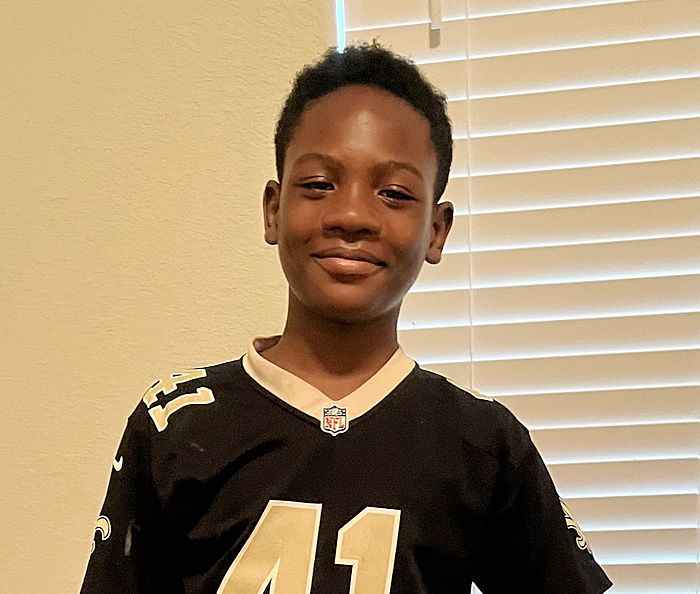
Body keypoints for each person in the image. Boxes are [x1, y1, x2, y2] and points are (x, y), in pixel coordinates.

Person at [81, 43, 612, 593]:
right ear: (273, 209)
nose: (353, 215)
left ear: (436, 231)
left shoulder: (482, 442)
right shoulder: (177, 422)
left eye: (394, 193)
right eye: (319, 185)